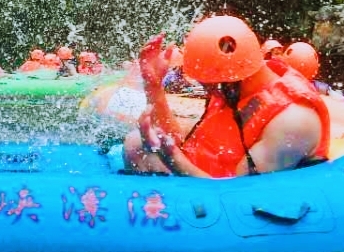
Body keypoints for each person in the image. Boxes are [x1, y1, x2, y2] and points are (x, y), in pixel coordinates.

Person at [122, 15, 329, 177]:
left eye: (209, 86)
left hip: (228, 201)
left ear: (228, 78)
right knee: (135, 144)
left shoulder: (293, 121)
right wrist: (153, 85)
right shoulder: (235, 85)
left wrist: (171, 156)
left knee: (139, 149)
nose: (207, 91)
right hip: (209, 174)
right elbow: (181, 140)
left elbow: (235, 197)